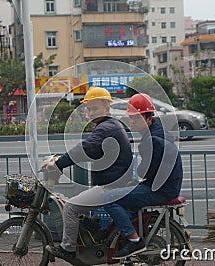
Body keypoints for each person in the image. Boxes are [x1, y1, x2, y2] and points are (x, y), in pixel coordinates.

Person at [45, 87, 133, 263]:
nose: (90, 112)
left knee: (70, 207)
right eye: (88, 108)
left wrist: (60, 163)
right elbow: (87, 150)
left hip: (111, 186)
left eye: (95, 108)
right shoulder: (109, 125)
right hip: (117, 182)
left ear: (107, 108)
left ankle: (68, 249)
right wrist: (62, 158)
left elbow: (85, 148)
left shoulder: (105, 128)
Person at [103, 93, 183, 259]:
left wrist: (131, 176)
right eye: (131, 118)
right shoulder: (160, 132)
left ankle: (134, 240)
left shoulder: (150, 141)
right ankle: (131, 231)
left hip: (160, 190)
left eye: (136, 118)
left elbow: (144, 172)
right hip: (167, 186)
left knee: (109, 198)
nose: (132, 122)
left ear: (148, 119)